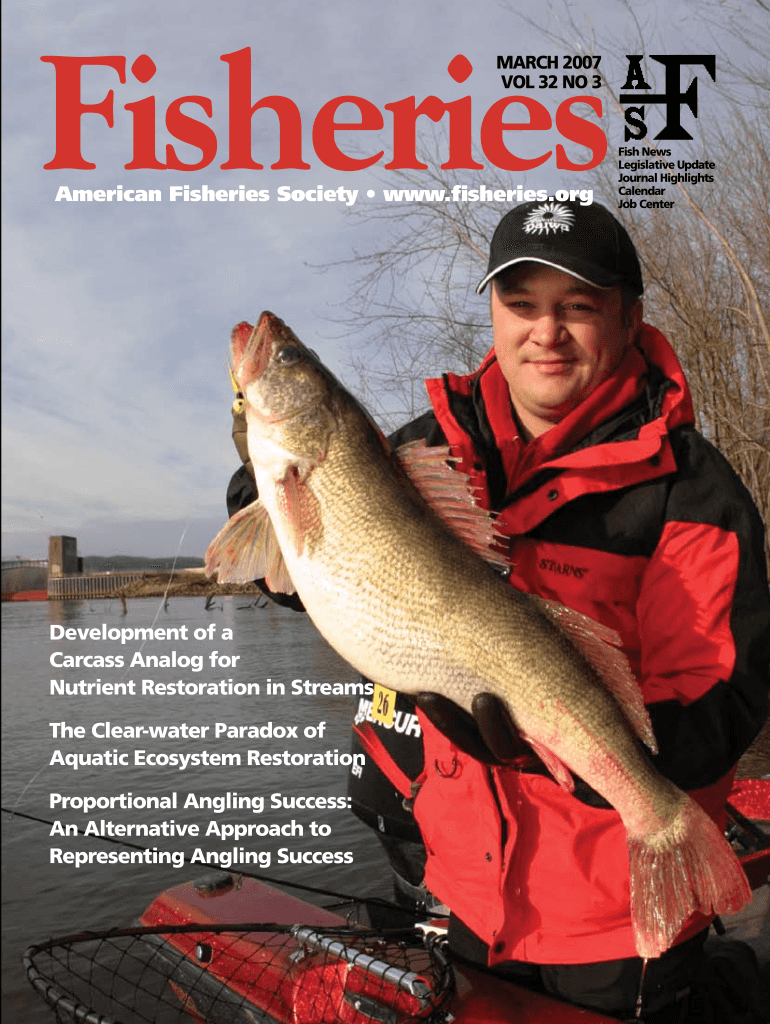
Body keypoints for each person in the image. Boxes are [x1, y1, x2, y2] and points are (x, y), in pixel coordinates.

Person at [226, 200, 770, 1021]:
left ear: (629, 318)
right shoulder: (422, 450)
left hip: (614, 921)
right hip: (461, 890)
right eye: (522, 304)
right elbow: (357, 589)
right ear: (493, 313)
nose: (544, 331)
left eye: (577, 306)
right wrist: (261, 501)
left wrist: (578, 762)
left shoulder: (695, 493)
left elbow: (720, 705)